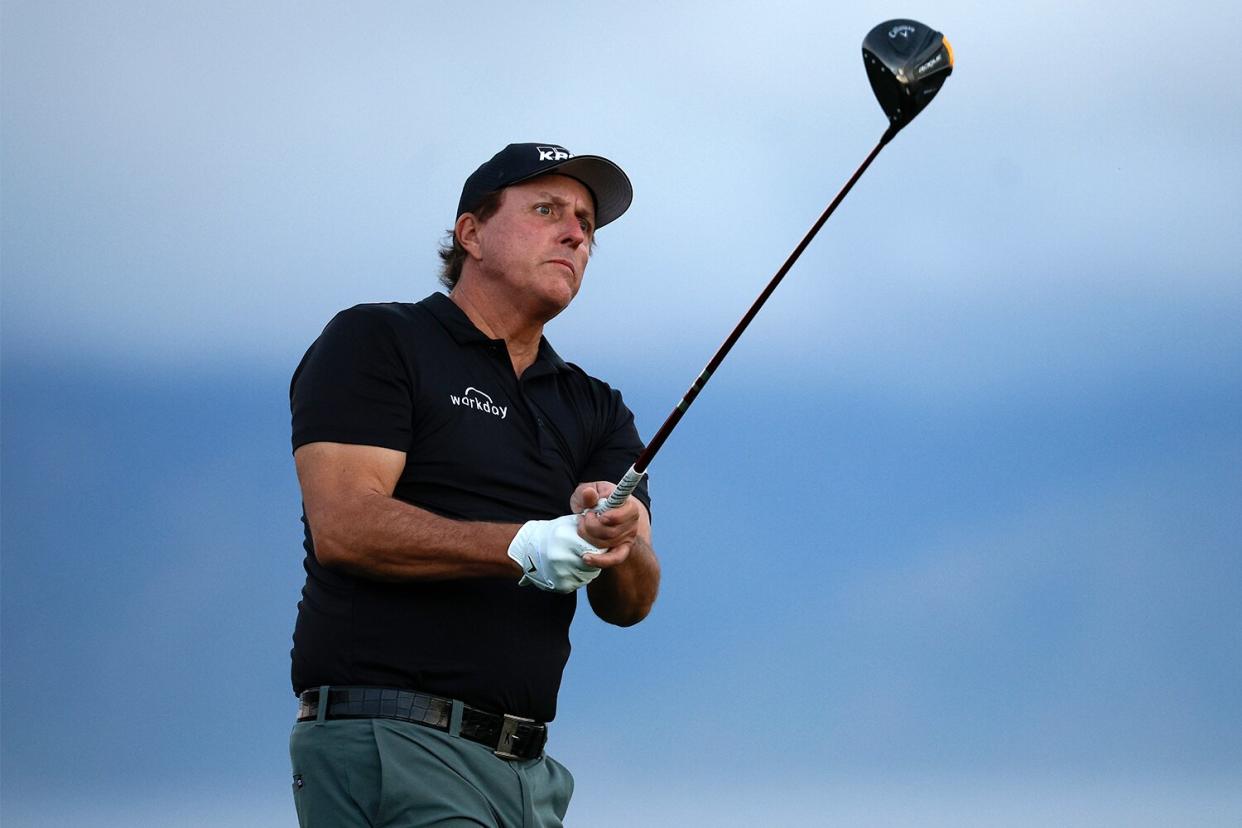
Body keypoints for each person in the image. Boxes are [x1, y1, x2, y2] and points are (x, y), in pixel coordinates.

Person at [286, 142, 660, 828]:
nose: (575, 233)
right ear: (471, 234)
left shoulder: (595, 406)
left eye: (585, 223)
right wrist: (528, 544)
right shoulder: (378, 341)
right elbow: (344, 524)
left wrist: (616, 537)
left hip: (531, 776)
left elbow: (631, 601)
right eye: (547, 209)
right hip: (394, 740)